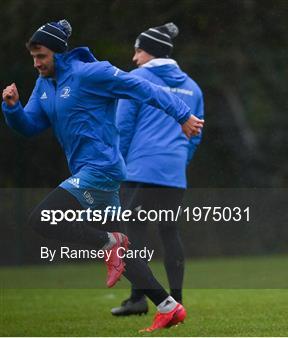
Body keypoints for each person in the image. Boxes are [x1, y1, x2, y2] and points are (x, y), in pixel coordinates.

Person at [1, 19, 204, 332]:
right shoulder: (45, 85)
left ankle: (109, 241)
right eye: (33, 57)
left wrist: (182, 114)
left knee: (42, 218)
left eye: (41, 56)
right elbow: (29, 126)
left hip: (102, 169)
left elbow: (144, 88)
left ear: (57, 52)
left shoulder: (89, 73)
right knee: (123, 255)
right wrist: (13, 109)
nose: (36, 63)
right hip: (88, 171)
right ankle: (168, 306)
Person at [110, 22, 204, 316]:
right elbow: (195, 133)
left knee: (132, 230)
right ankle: (177, 298)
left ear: (149, 52)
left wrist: (117, 165)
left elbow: (122, 127)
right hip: (174, 171)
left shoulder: (136, 79)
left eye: (138, 51)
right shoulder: (192, 86)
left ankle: (139, 297)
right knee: (169, 231)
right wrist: (179, 162)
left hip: (139, 168)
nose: (135, 58)